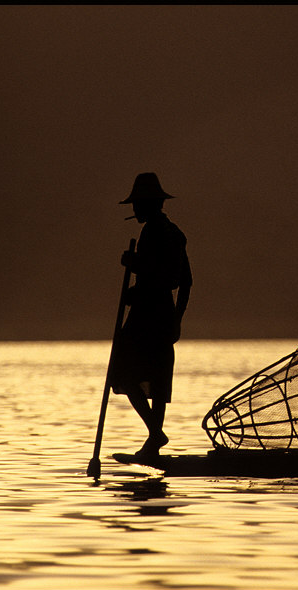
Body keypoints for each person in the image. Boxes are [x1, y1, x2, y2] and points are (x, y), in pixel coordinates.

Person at [110, 172, 192, 457]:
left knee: (123, 373)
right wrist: (176, 318)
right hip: (162, 314)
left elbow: (164, 277)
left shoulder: (157, 232)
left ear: (148, 204)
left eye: (137, 204)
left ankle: (155, 435)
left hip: (148, 318)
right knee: (156, 381)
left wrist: (134, 264)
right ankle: (154, 441)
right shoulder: (174, 232)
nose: (134, 210)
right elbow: (184, 282)